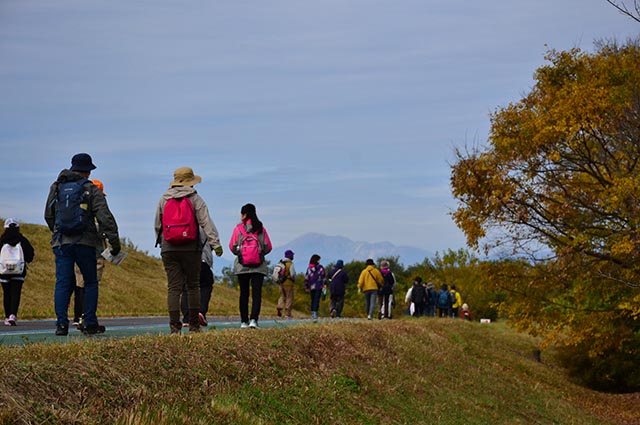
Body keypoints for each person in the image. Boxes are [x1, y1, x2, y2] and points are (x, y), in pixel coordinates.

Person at [45, 153, 120, 336]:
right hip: (85, 242)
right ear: (88, 171)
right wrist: (114, 242)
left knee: (62, 282)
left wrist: (58, 232)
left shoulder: (56, 186)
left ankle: (61, 325)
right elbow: (105, 217)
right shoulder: (90, 188)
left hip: (61, 242)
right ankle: (89, 323)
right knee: (90, 282)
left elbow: (48, 214)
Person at [155, 167, 223, 334]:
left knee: (174, 287)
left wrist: (161, 242)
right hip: (190, 248)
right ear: (191, 182)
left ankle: (174, 327)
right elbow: (206, 223)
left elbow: (158, 224)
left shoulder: (164, 198)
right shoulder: (195, 199)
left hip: (169, 248)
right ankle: (193, 325)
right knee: (193, 286)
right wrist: (216, 244)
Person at [229, 203, 272, 329]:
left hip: (242, 267)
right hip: (258, 266)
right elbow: (268, 246)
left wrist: (241, 253)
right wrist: (259, 253)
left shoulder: (238, 229)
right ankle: (254, 320)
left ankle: (243, 321)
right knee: (256, 294)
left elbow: (232, 246)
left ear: (244, 215)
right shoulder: (260, 228)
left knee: (244, 294)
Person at [71, 179, 107, 328]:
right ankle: (88, 318)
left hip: (77, 248)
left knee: (80, 284)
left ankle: (78, 316)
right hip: (94, 251)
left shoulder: (75, 203)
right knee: (92, 284)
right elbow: (102, 227)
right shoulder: (97, 204)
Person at [0, 219, 35, 326]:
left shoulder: (2, 240)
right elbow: (30, 255)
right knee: (16, 293)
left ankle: (7, 316)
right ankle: (13, 315)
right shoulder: (22, 240)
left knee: (7, 293)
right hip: (18, 272)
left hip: (4, 272)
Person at [180, 225, 216, 327]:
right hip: (202, 259)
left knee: (186, 288)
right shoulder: (204, 222)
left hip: (185, 259)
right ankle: (201, 312)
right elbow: (214, 238)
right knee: (205, 285)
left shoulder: (182, 220)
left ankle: (186, 318)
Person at [304, 254, 326, 321]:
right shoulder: (320, 267)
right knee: (317, 299)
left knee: (313, 299)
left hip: (311, 286)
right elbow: (323, 276)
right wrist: (324, 284)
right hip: (318, 285)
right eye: (319, 259)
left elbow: (307, 278)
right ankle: (315, 312)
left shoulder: (309, 268)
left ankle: (312, 312)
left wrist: (306, 286)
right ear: (317, 260)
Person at [276, 249, 296, 319]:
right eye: (292, 255)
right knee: (289, 297)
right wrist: (294, 279)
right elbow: (292, 274)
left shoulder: (280, 263)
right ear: (290, 256)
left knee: (282, 296)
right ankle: (288, 313)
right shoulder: (290, 264)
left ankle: (279, 307)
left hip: (280, 282)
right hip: (288, 283)